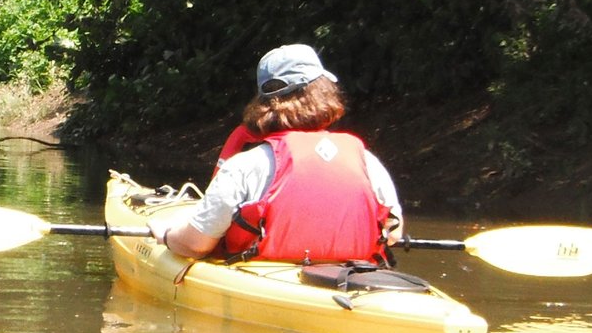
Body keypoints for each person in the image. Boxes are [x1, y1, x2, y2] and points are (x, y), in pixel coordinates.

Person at [155, 43, 405, 263]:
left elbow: (195, 245)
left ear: (263, 102)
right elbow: (393, 233)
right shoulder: (364, 160)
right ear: (323, 94)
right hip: (353, 281)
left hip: (266, 281)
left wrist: (166, 234)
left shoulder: (246, 166)